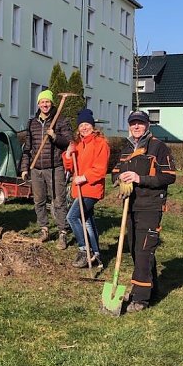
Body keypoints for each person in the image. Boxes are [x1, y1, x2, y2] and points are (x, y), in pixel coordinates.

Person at [112, 109, 177, 312]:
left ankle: (140, 298)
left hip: (150, 206)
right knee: (136, 249)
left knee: (143, 250)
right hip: (129, 207)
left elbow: (169, 176)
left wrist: (140, 179)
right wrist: (119, 179)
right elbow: (115, 171)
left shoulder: (158, 147)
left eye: (140, 123)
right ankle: (151, 288)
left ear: (148, 125)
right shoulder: (126, 148)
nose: (136, 126)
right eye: (133, 123)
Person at [20, 89, 72, 248]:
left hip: (55, 167)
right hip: (37, 168)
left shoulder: (61, 121)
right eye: (42, 102)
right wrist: (24, 168)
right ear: (38, 104)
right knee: (39, 200)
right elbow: (27, 148)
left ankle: (62, 232)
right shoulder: (32, 123)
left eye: (47, 101)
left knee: (59, 201)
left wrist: (55, 137)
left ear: (52, 103)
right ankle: (44, 229)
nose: (45, 104)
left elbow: (69, 142)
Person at [63, 108, 110, 269]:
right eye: (81, 125)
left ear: (93, 126)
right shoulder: (78, 144)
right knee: (88, 221)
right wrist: (69, 155)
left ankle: (84, 249)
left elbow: (100, 168)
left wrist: (84, 177)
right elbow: (70, 168)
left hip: (91, 188)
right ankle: (96, 253)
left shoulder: (100, 143)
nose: (84, 128)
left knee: (72, 217)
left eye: (87, 125)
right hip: (80, 189)